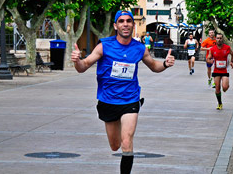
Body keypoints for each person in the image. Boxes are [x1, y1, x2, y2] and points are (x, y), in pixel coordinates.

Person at [71, 10, 175, 174]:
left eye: (128, 21)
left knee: (127, 143)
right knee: (115, 145)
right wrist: (77, 61)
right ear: (115, 25)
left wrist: (165, 64)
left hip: (130, 101)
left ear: (133, 25)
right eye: (121, 21)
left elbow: (154, 66)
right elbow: (83, 67)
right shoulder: (104, 46)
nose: (125, 24)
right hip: (108, 101)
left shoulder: (139, 48)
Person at [206, 33, 233, 110]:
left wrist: (231, 62)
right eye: (218, 38)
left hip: (225, 70)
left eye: (220, 38)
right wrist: (210, 61)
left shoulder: (227, 48)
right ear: (216, 39)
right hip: (216, 70)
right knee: (217, 89)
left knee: (225, 88)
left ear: (223, 39)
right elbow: (208, 58)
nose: (219, 40)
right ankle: (220, 103)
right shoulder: (212, 49)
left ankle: (226, 86)